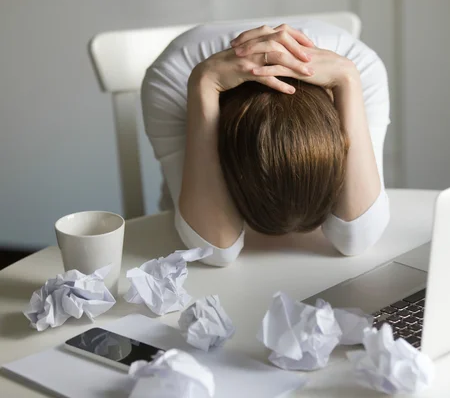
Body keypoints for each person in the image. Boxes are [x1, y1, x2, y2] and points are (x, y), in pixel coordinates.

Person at [141, 19, 390, 266]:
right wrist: (204, 84)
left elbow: (357, 238)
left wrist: (347, 79)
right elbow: (214, 249)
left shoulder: (357, 67)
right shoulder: (175, 78)